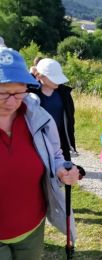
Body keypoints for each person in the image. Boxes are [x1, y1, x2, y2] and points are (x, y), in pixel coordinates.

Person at [0, 47, 80, 259]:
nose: (12, 101)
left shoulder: (38, 118)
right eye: (3, 92)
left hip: (32, 228)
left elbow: (54, 156)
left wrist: (62, 170)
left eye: (19, 92)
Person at [31, 58, 77, 161]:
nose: (58, 81)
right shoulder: (30, 95)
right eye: (53, 77)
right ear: (39, 76)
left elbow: (70, 120)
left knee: (63, 170)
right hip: (38, 140)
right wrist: (31, 74)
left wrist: (70, 141)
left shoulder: (64, 94)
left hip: (61, 140)